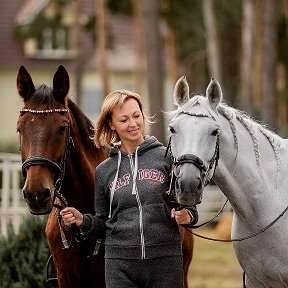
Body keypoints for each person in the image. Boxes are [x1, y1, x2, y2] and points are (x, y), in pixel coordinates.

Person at [60, 89, 196, 288]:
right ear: (111, 124)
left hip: (166, 262)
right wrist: (82, 220)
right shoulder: (105, 171)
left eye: (136, 116)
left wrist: (188, 216)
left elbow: (189, 208)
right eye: (124, 120)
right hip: (119, 266)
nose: (133, 124)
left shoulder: (167, 158)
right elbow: (103, 224)